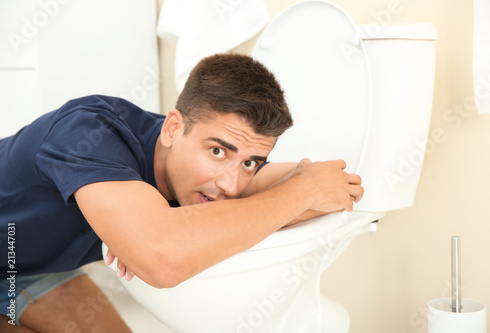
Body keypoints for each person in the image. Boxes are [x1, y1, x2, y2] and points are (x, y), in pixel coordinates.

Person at [0, 53, 363, 332]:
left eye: (251, 163)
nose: (231, 185)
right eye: (218, 151)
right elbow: (163, 260)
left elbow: (316, 184)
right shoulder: (88, 132)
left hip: (29, 268)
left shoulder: (196, 165)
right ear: (173, 128)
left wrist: (306, 186)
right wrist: (154, 236)